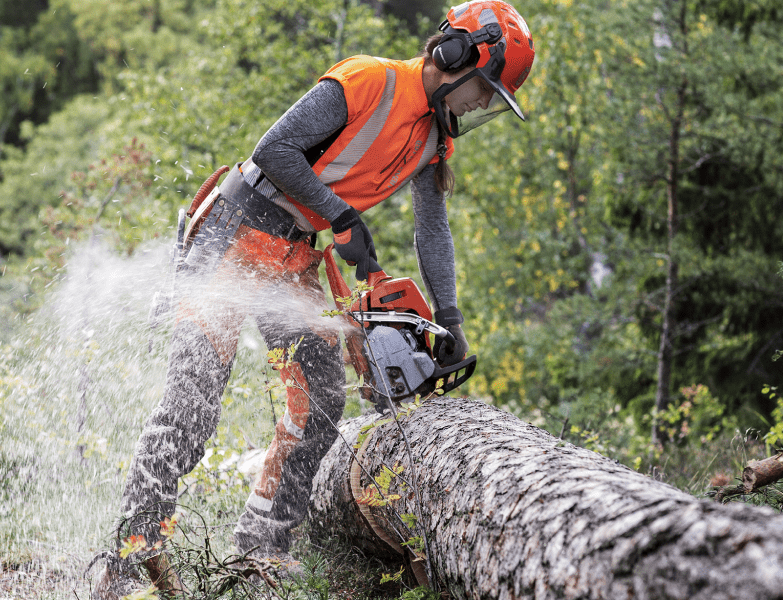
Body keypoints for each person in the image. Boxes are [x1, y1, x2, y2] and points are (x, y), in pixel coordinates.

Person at [93, 1, 534, 596]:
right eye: (483, 91)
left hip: (297, 250)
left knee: (322, 400)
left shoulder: (434, 140)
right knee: (192, 406)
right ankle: (125, 557)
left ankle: (259, 549)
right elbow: (274, 148)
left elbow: (432, 231)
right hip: (237, 229)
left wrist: (449, 317)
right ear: (456, 55)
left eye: (490, 100)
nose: (481, 105)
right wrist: (342, 216)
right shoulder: (367, 81)